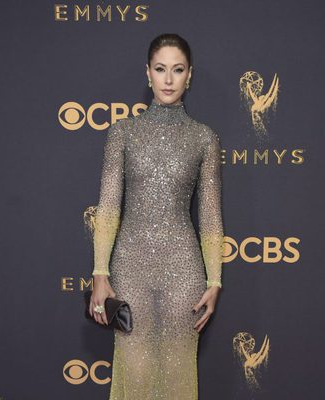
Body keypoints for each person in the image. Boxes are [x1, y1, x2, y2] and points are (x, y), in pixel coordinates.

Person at [89, 33, 224, 400]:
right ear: (147, 73)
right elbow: (108, 207)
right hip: (130, 268)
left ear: (189, 75)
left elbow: (210, 216)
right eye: (160, 69)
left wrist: (215, 281)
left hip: (184, 271)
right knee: (133, 374)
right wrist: (100, 274)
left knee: (179, 376)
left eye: (177, 70)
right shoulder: (122, 134)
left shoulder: (204, 138)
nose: (168, 79)